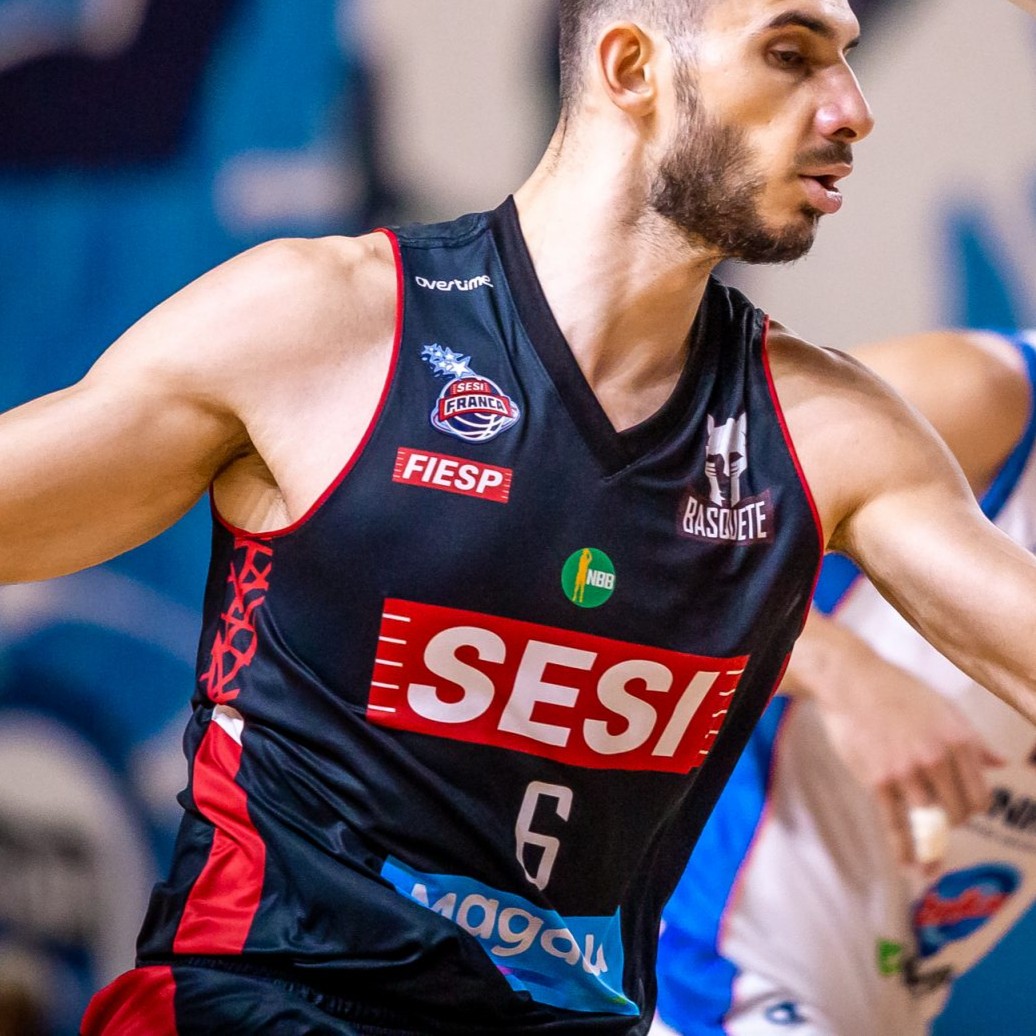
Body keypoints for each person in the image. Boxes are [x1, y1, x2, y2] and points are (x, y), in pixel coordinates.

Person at [3, 0, 1036, 1031]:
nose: (851, 107)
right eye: (790, 54)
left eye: (845, 60)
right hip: (268, 1002)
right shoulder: (325, 326)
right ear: (631, 67)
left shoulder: (828, 431)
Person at [653, 328, 1036, 1036]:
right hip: (717, 947)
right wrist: (846, 673)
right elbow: (646, 523)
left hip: (886, 990)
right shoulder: (980, 391)